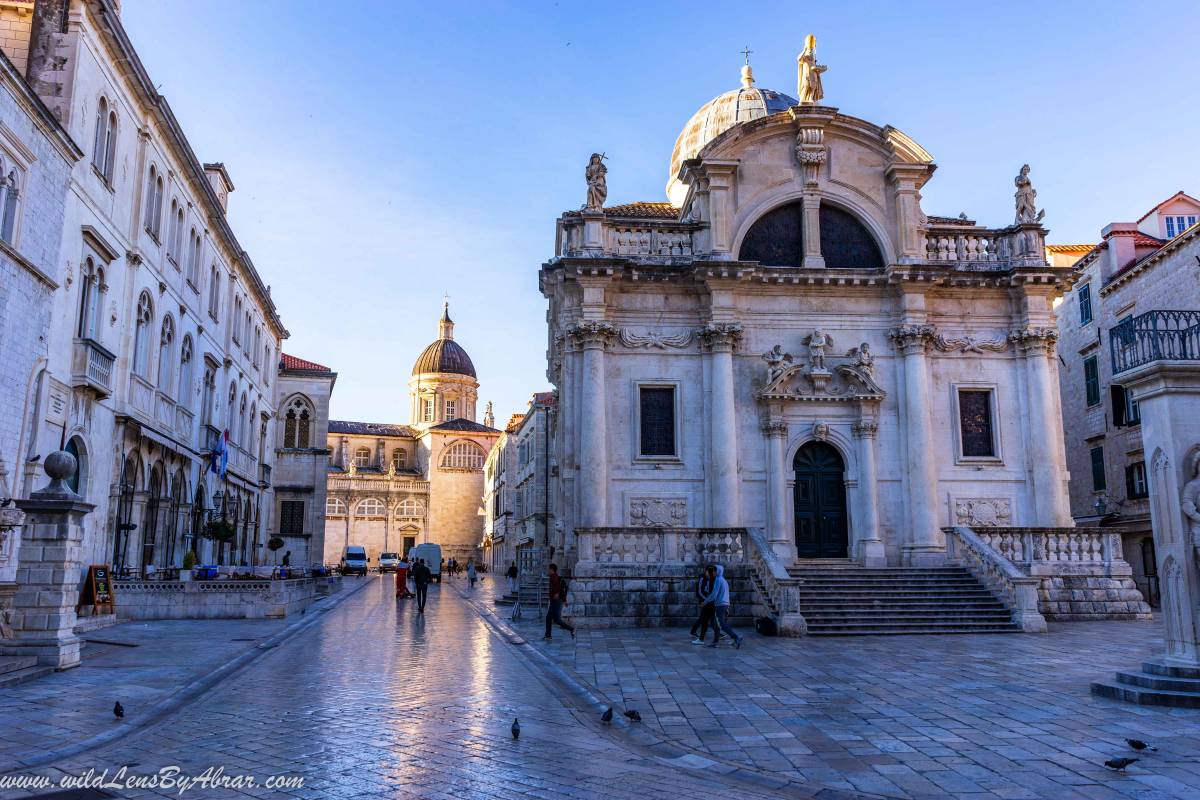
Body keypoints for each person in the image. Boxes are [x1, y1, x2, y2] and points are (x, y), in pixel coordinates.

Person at [703, 564, 743, 649]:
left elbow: (714, 594)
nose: (713, 572)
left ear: (718, 571)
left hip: (720, 605)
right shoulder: (724, 580)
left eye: (714, 570)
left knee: (721, 624)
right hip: (724, 604)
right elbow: (727, 594)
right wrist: (727, 605)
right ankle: (715, 642)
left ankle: (736, 637)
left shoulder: (718, 580)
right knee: (716, 624)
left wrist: (706, 601)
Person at [543, 563, 575, 640]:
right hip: (555, 601)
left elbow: (557, 587)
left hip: (555, 601)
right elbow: (559, 588)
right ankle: (548, 635)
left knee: (556, 619)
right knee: (549, 618)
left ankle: (571, 629)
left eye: (549, 569)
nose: (548, 570)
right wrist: (564, 600)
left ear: (551, 569)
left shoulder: (553, 577)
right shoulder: (555, 576)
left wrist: (557, 594)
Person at [689, 565, 716, 645]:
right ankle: (717, 633)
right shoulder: (702, 578)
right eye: (709, 571)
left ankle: (695, 632)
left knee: (705, 617)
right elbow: (699, 591)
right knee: (705, 618)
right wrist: (705, 600)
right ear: (705, 571)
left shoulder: (711, 578)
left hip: (708, 601)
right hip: (704, 601)